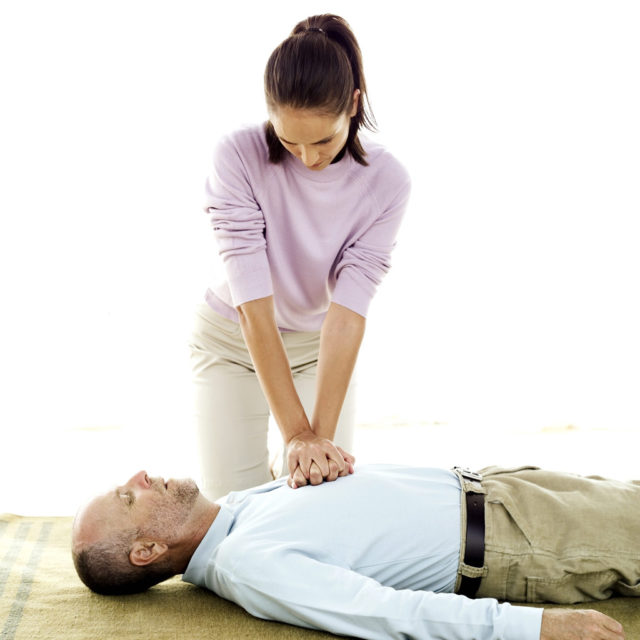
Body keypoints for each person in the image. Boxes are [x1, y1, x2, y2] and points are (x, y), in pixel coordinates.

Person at [189, 13, 411, 499]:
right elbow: (253, 308)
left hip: (318, 350)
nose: (307, 158)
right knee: (235, 512)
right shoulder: (238, 155)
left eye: (323, 141)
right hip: (232, 342)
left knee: (320, 499)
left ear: (353, 106)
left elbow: (349, 314)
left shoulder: (387, 181)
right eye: (289, 140)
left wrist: (318, 443)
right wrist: (295, 436)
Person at [72, 464, 635, 640]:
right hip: (528, 539)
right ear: (147, 549)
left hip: (502, 487)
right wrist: (540, 629)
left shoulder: (234, 511)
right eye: (129, 496)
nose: (141, 476)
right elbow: (389, 615)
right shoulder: (248, 564)